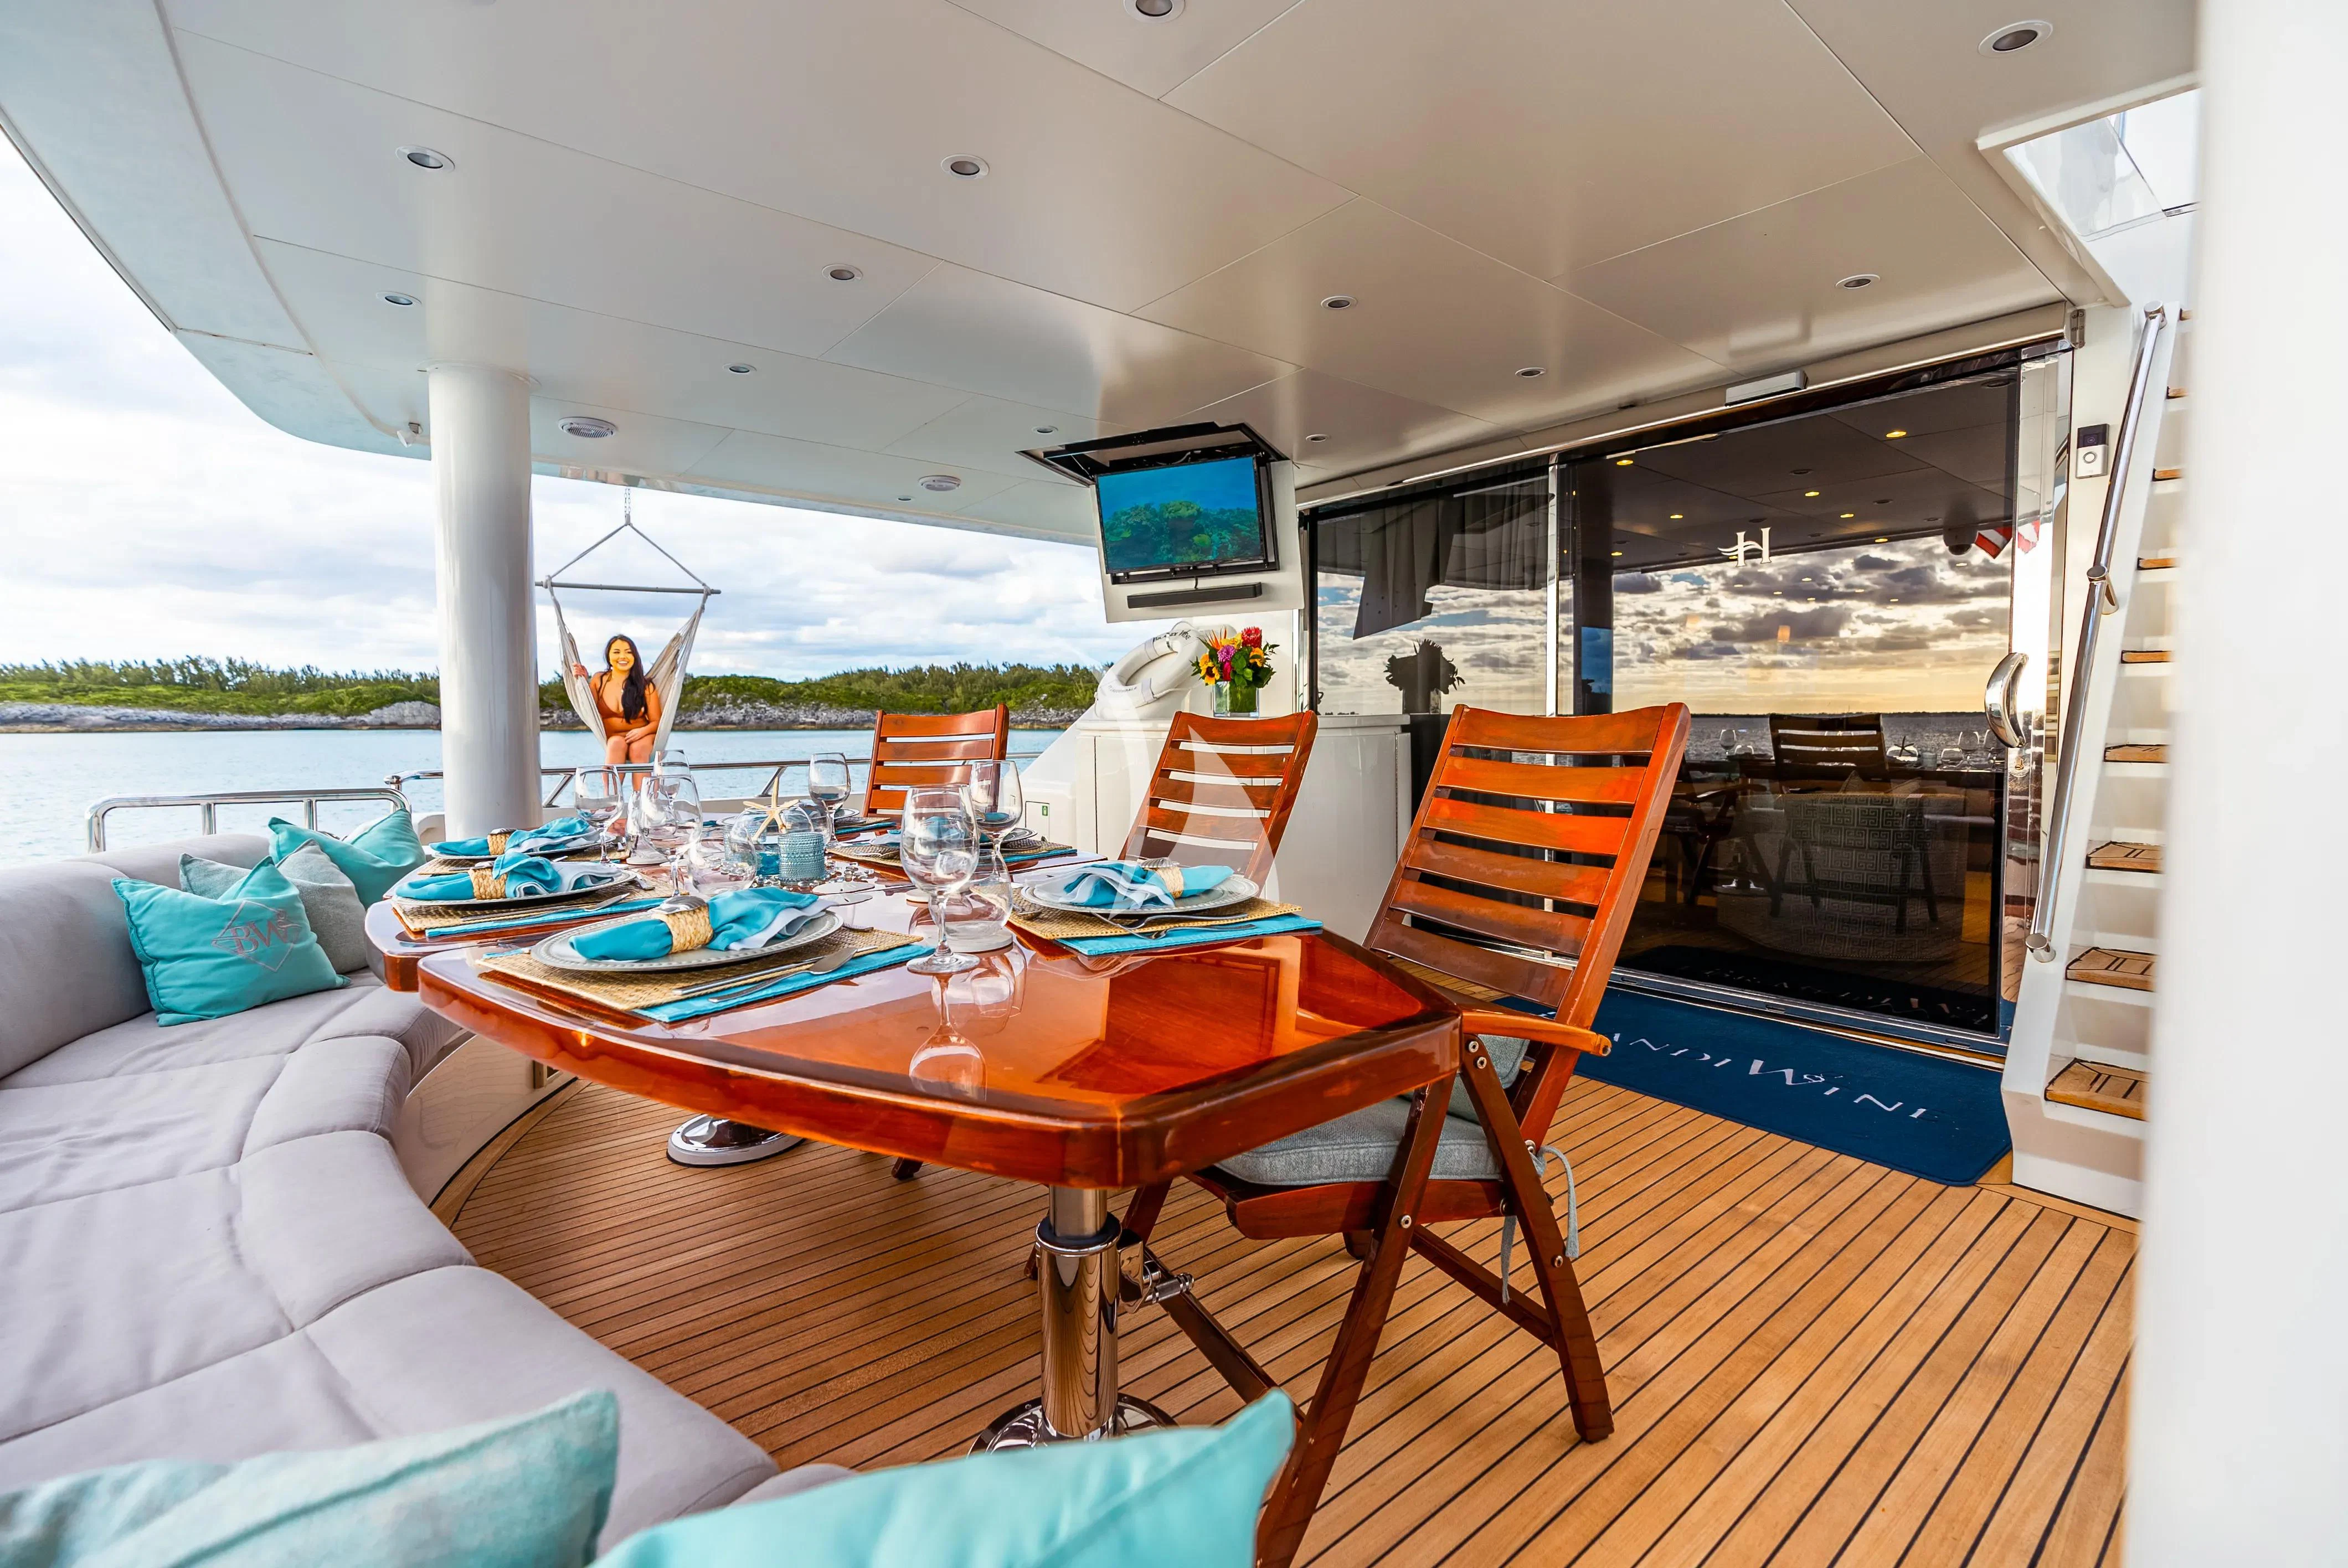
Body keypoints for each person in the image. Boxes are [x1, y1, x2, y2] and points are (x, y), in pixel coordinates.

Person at [573, 634, 662, 764]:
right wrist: (582, 681)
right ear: (608, 656)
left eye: (628, 652)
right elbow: (589, 706)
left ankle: (644, 785)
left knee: (638, 749)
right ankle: (610, 785)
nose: (623, 657)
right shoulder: (599, 680)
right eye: (616, 652)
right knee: (615, 744)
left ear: (635, 657)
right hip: (614, 738)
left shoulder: (645, 686)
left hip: (643, 737)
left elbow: (657, 722)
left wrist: (642, 732)